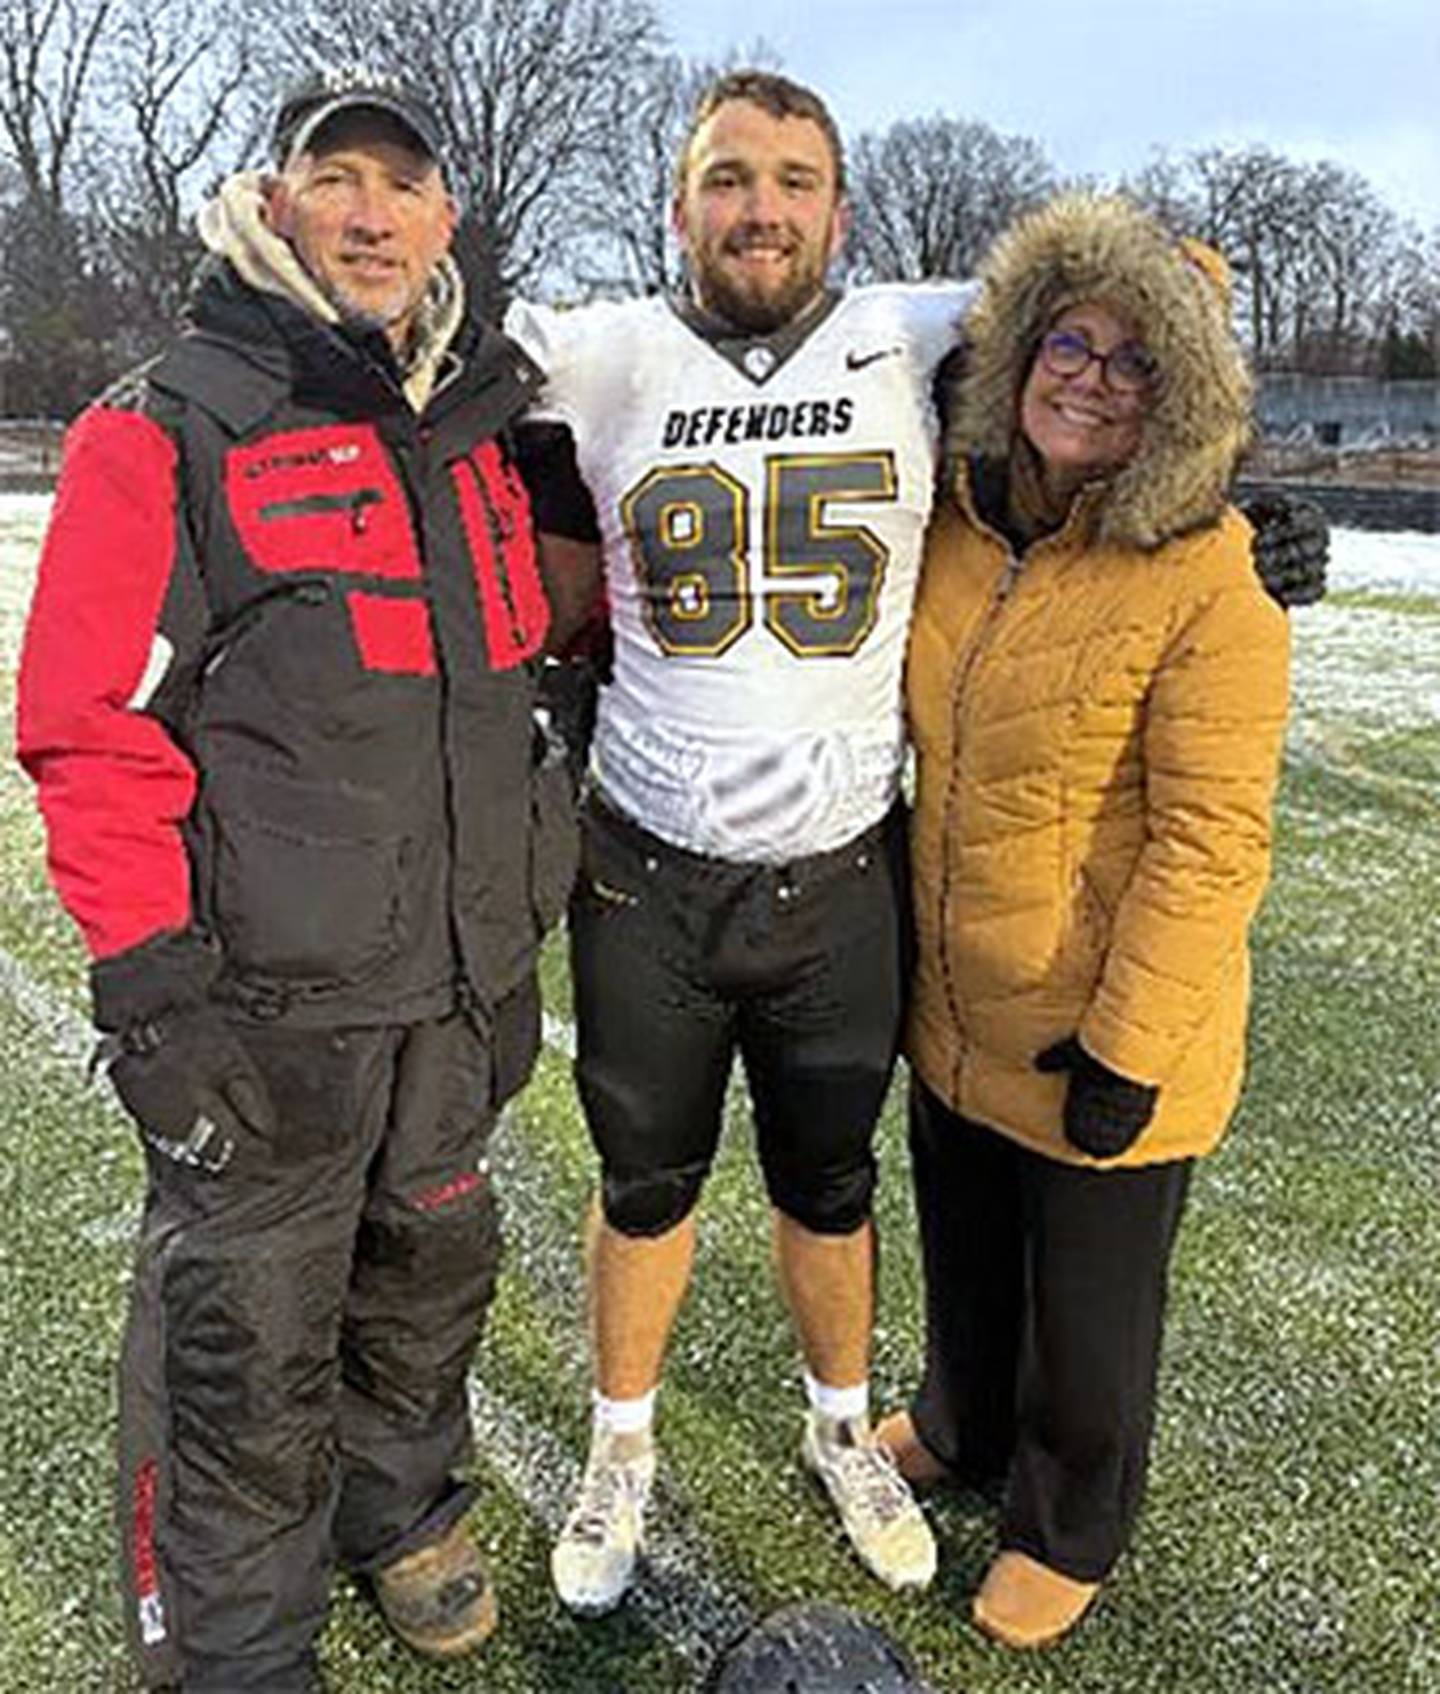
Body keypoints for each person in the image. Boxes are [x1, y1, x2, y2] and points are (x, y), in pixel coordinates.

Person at [505, 71, 1318, 1617]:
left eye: (795, 179)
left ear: (841, 208)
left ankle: (862, 1437)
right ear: (678, 205)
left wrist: (1236, 489)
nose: (761, 207)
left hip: (845, 880)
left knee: (835, 1184)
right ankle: (635, 1443)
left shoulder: (913, 331)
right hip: (659, 869)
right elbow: (410, 351)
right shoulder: (613, 354)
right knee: (652, 1181)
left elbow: (1147, 319)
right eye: (728, 177)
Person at [17, 67, 574, 1694]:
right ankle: (230, 1647)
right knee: (243, 1346)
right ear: (277, 201)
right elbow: (87, 728)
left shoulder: (484, 424)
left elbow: (530, 667)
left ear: (444, 219)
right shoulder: (167, 423)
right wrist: (150, 988)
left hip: (452, 995)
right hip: (264, 1013)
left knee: (430, 1276)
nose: (371, 213)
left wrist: (516, 921)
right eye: (339, 179)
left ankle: (399, 1510)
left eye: (403, 185)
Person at [880, 191, 1291, 1650]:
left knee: (1091, 1312)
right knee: (970, 1256)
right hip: (960, 1001)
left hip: (1110, 1026)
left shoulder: (1209, 584)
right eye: (1071, 340)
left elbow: (1210, 838)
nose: (1090, 378)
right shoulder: (959, 523)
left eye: (1135, 362)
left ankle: (1068, 1519)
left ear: (1178, 402)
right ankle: (958, 1421)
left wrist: (1128, 1044)